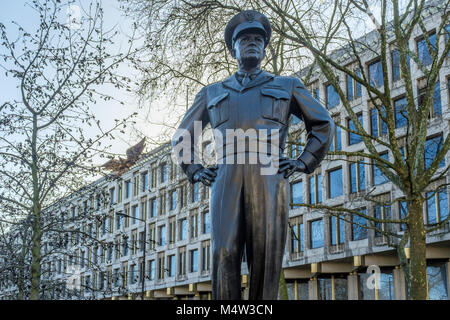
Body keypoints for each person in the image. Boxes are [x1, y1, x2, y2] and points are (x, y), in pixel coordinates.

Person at [172, 10, 334, 300]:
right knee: (224, 253)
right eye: (245, 39)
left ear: (264, 47)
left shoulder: (288, 85)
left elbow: (322, 123)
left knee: (266, 255)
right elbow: (183, 135)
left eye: (258, 39)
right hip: (226, 175)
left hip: (269, 173)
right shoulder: (212, 92)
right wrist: (195, 169)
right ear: (233, 48)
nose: (252, 43)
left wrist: (303, 161)